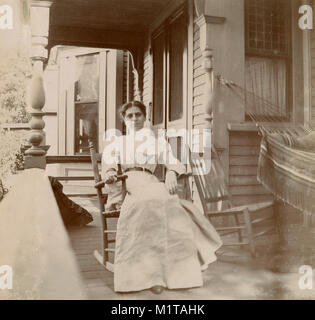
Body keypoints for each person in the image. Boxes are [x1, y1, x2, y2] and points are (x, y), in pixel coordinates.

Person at [101, 100, 222, 294]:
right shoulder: (117, 143)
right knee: (147, 204)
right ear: (124, 120)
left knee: (172, 205)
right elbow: (108, 166)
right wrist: (109, 174)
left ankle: (175, 273)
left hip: (150, 181)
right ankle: (141, 275)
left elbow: (173, 162)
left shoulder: (156, 142)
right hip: (127, 182)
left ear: (145, 117)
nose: (134, 119)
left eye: (138, 115)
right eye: (129, 116)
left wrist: (172, 172)